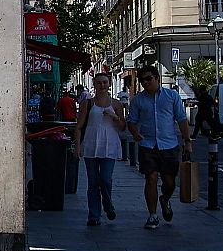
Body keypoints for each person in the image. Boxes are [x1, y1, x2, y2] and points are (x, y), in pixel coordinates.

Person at [126, 63, 191, 230]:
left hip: (169, 144)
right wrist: (135, 133)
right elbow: (131, 121)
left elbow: (182, 119)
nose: (146, 83)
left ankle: (165, 199)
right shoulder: (138, 100)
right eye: (142, 80)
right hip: (148, 145)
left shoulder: (171, 96)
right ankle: (153, 215)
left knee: (169, 182)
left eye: (149, 79)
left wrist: (187, 141)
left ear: (157, 78)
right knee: (151, 178)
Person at [72, 71, 125, 227]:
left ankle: (108, 205)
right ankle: (94, 215)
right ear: (94, 85)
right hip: (91, 145)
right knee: (93, 182)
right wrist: (77, 146)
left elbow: (122, 127)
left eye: (105, 82)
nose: (102, 85)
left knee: (105, 179)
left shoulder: (116, 104)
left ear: (109, 85)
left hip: (109, 146)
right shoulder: (87, 104)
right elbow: (79, 126)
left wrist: (115, 116)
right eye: (99, 83)